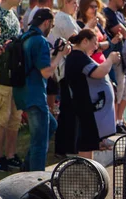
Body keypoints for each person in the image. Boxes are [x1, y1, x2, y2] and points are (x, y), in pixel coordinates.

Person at [13, 8, 71, 171]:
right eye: (51, 26)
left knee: (51, 126)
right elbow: (46, 72)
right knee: (39, 144)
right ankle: (36, 184)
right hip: (36, 96)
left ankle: (26, 170)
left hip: (22, 93)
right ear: (46, 23)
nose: (50, 29)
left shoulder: (25, 37)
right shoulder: (40, 41)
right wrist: (61, 55)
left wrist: (54, 52)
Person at [65, 29, 120, 158]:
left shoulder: (81, 57)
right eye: (94, 43)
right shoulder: (78, 57)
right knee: (86, 143)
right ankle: (86, 173)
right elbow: (99, 72)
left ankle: (89, 171)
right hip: (86, 107)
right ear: (85, 41)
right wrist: (110, 59)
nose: (96, 47)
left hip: (88, 107)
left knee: (89, 142)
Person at [0, 0, 23, 172]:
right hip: (1, 72)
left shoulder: (13, 14)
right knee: (2, 115)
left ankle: (11, 155)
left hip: (15, 71)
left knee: (15, 116)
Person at [48, 0, 80, 156]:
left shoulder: (68, 17)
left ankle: (65, 147)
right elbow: (79, 39)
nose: (76, 5)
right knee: (68, 109)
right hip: (65, 69)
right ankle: (65, 148)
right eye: (73, 2)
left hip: (68, 68)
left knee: (69, 108)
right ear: (65, 2)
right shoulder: (63, 17)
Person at [104, 0, 126, 133]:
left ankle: (118, 121)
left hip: (121, 57)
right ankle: (114, 123)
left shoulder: (118, 14)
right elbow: (125, 32)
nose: (125, 2)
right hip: (113, 57)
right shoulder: (107, 13)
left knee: (122, 91)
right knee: (116, 91)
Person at [77, 0, 119, 64]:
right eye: (91, 7)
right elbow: (82, 46)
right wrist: (101, 45)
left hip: (103, 62)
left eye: (96, 7)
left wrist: (98, 45)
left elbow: (109, 42)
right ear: (84, 7)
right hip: (89, 64)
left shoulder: (97, 23)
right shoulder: (79, 24)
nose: (95, 9)